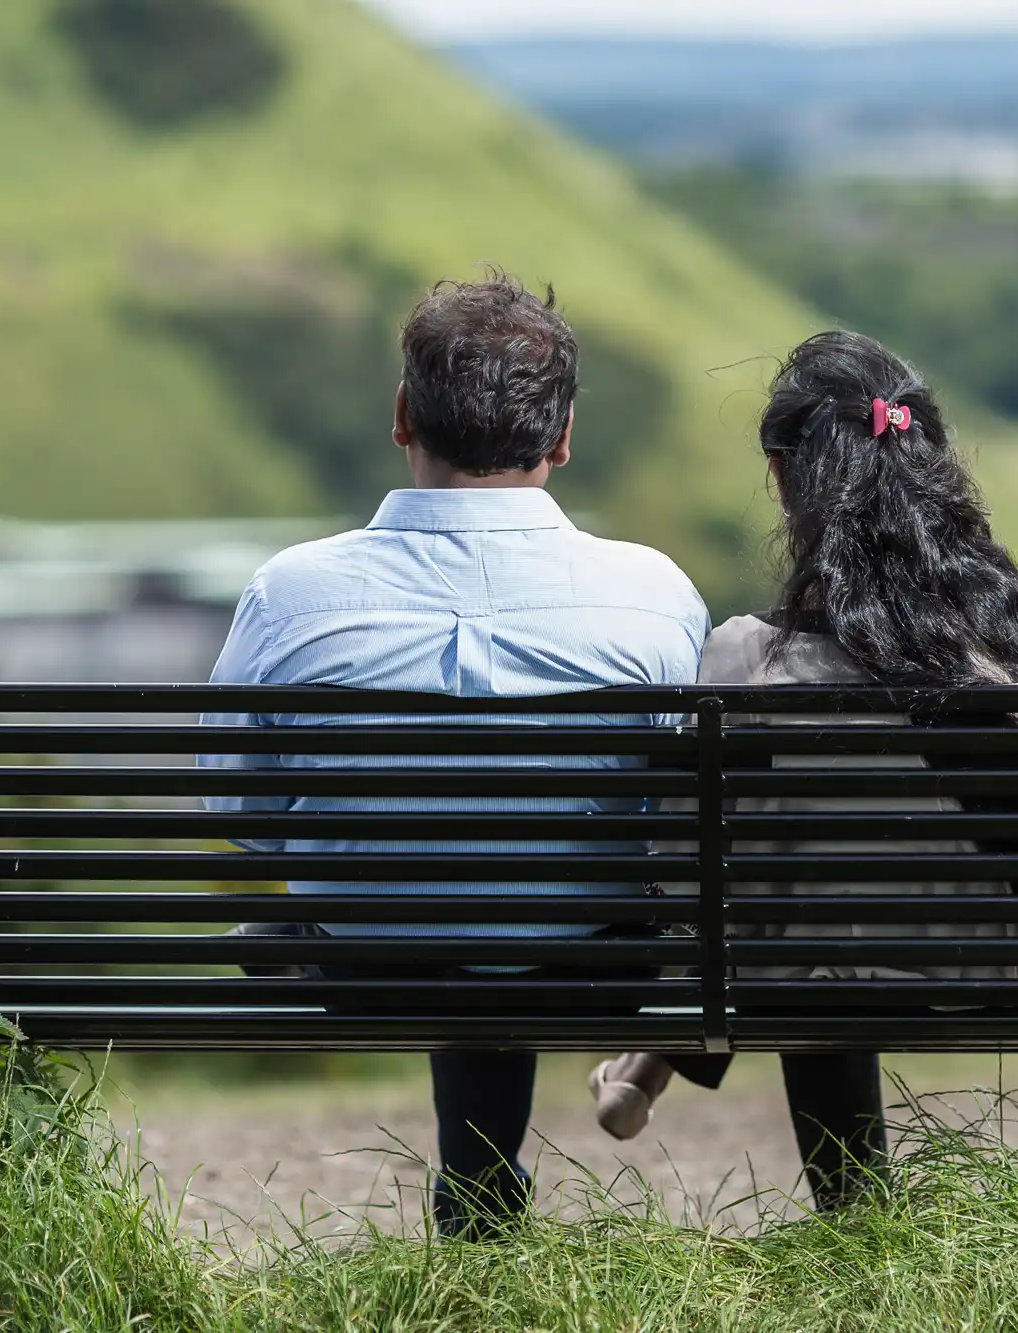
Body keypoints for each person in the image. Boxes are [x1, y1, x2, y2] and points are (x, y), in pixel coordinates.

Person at [198, 271, 709, 1238]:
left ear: (402, 415)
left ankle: (477, 1201)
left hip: (369, 963)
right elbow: (676, 818)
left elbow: (241, 822)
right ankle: (480, 1200)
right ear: (561, 438)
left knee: (373, 914)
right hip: (589, 966)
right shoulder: (653, 593)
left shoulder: (292, 592)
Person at [587, 330, 1018, 1211]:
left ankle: (849, 1206)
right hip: (1001, 973)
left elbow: (686, 875)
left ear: (783, 479)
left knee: (803, 928)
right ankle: (668, 1068)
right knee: (817, 919)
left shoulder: (747, 657)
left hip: (808, 972)